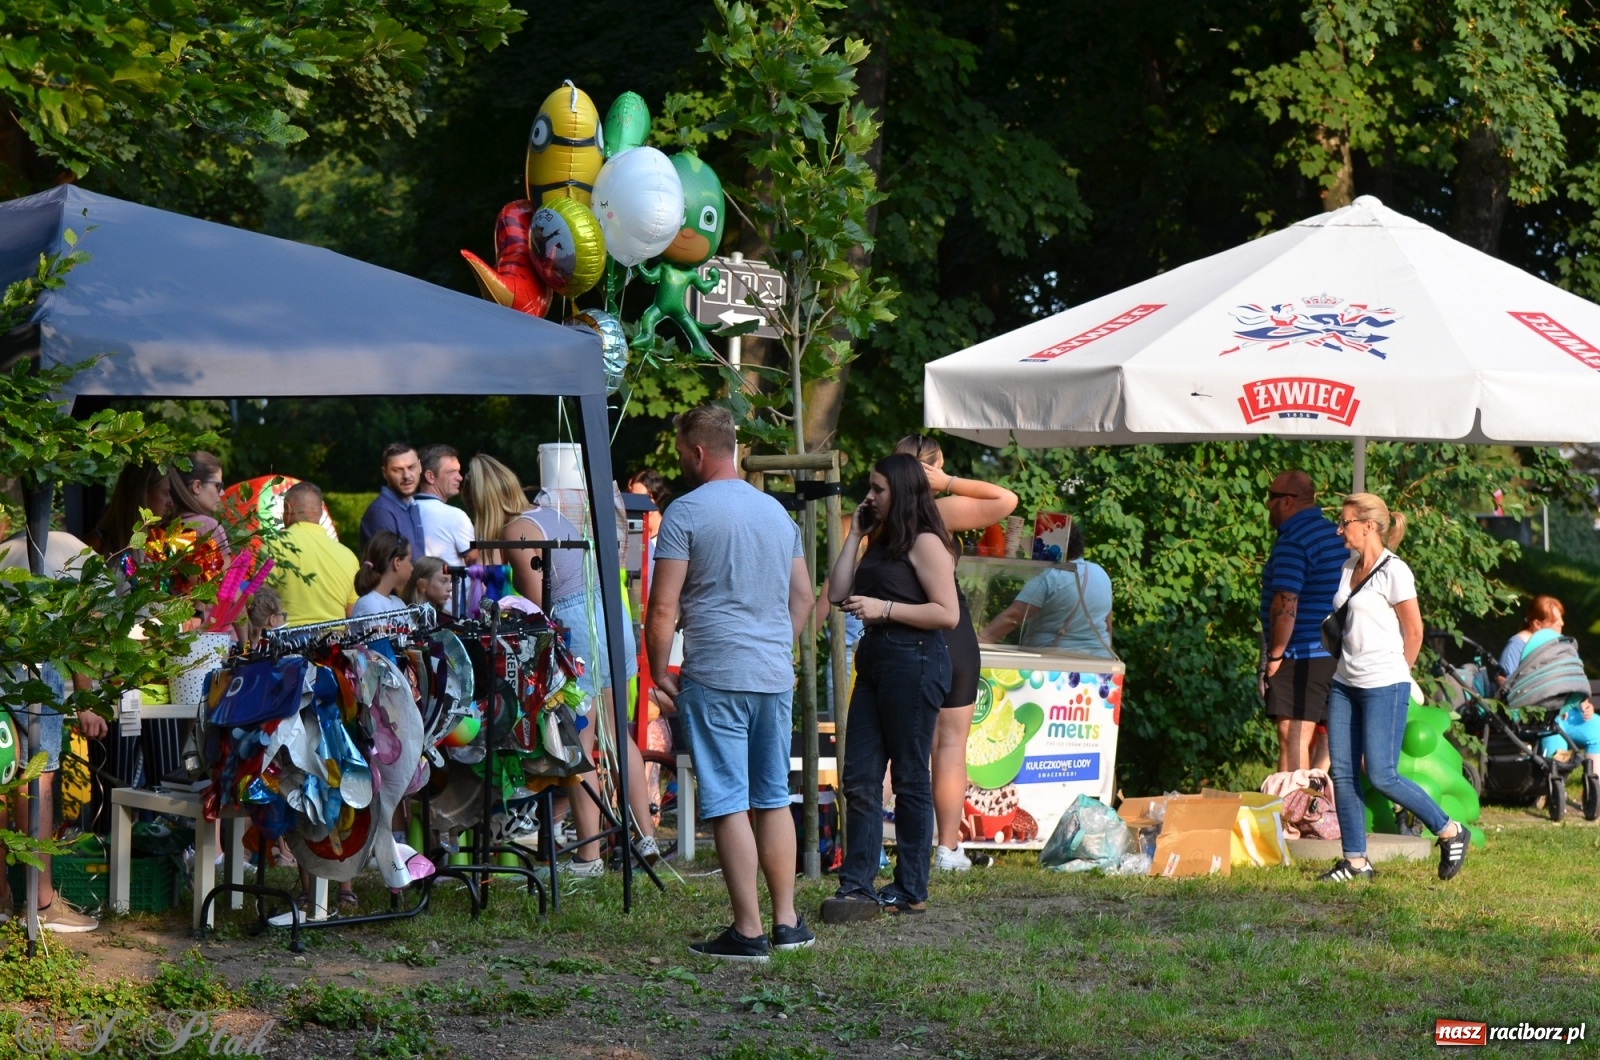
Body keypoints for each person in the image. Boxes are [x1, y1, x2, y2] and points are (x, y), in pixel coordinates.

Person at [645, 407, 813, 961]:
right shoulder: (776, 513)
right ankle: (788, 923)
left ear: (697, 452)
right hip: (772, 673)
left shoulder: (685, 512)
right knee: (772, 797)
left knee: (726, 801)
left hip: (716, 672)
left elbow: (663, 605)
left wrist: (657, 675)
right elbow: (804, 598)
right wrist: (775, 644)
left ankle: (748, 931)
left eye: (679, 451)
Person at [463, 454, 661, 875]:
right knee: (617, 736)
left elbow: (539, 606)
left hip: (578, 628)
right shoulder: (545, 515)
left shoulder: (514, 531)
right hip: (608, 614)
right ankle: (645, 837)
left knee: (578, 743)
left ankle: (589, 857)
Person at [822, 452, 960, 923]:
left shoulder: (925, 542)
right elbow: (837, 594)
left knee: (908, 777)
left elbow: (948, 613)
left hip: (915, 659)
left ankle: (910, 887)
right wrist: (855, 534)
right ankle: (856, 885)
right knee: (859, 776)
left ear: (901, 492)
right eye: (870, 487)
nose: (870, 495)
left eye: (878, 489)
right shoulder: (877, 538)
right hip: (878, 660)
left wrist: (885, 609)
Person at [1319, 493, 1469, 884]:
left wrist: (1398, 674)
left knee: (1383, 775)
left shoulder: (1395, 571)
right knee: (1345, 775)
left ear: (1368, 525)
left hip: (1385, 685)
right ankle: (1355, 862)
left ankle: (1450, 830)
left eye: (1345, 521)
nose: (1339, 529)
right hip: (1344, 683)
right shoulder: (1348, 565)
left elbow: (1415, 631)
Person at [892, 434, 1017, 873]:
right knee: (949, 746)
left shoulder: (887, 512)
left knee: (906, 745)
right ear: (934, 464)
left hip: (905, 632)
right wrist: (947, 483)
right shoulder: (938, 509)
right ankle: (947, 849)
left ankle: (905, 843)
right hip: (952, 633)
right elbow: (1007, 498)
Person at [0, 529, 108, 932]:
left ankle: (2, 900)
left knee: (1, 775)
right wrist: (86, 700)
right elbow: (83, 631)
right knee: (38, 777)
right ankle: (42, 903)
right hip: (36, 663)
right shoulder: (81, 554)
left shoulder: (6, 550)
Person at [1257, 470, 1347, 773]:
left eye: (1270, 497)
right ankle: (1314, 808)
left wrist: (1275, 656)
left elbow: (1286, 604)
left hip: (1302, 653)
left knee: (1292, 737)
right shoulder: (1333, 535)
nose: (1267, 505)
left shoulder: (1294, 541)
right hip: (1334, 652)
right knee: (1324, 742)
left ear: (1287, 502)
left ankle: (1291, 816)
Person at [979, 521, 1113, 655]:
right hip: (1100, 662)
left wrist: (983, 638)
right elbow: (1108, 626)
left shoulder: (1050, 576)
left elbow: (1013, 617)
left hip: (1054, 665)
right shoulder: (1100, 572)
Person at [268, 482, 360, 626]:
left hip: (286, 642)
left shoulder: (275, 545)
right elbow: (353, 615)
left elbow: (259, 601)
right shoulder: (349, 556)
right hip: (334, 642)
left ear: (288, 508)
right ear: (321, 512)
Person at [85, 462, 172, 556]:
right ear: (144, 494)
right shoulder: (97, 544)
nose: (170, 502)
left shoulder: (160, 543)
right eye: (165, 493)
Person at [415, 444, 478, 568]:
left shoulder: (403, 511)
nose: (460, 478)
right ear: (430, 476)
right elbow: (475, 561)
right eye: (451, 472)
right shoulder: (455, 516)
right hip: (450, 587)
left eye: (458, 471)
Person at [358, 442, 426, 557]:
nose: (406, 476)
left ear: (420, 467)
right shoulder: (381, 512)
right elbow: (392, 566)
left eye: (411, 467)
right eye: (397, 470)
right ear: (385, 473)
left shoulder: (412, 506)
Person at [1499, 595, 1566, 682]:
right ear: (1537, 624)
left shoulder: (1560, 645)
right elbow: (1504, 681)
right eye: (1555, 621)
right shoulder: (1516, 646)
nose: (1562, 623)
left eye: (1561, 618)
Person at [352, 531, 412, 617]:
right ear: (397, 563)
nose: (412, 567)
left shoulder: (398, 603)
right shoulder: (370, 604)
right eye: (410, 560)